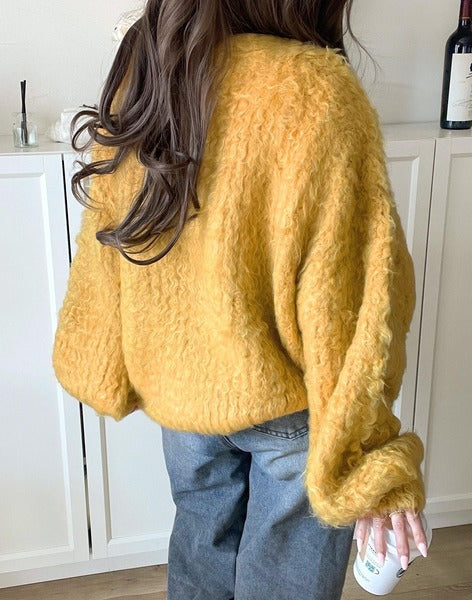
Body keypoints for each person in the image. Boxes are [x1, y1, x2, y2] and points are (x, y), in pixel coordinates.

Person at [52, 1, 429, 598]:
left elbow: (107, 243)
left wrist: (106, 362)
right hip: (287, 409)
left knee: (199, 558)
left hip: (182, 398)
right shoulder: (317, 91)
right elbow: (353, 300)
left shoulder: (153, 69)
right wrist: (372, 456)